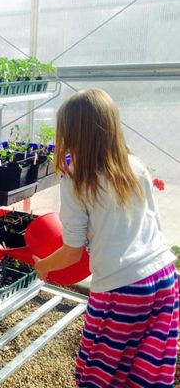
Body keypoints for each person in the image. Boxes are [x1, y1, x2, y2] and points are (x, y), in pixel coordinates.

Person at [31, 89, 179, 387]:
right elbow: (154, 224)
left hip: (122, 287)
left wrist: (43, 265)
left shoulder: (76, 177)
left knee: (102, 366)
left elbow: (71, 252)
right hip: (164, 276)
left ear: (70, 133)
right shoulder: (133, 165)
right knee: (144, 367)